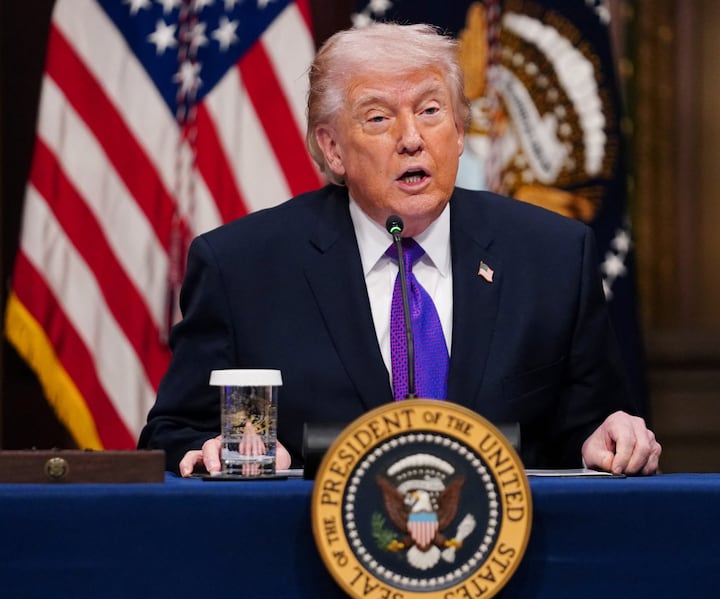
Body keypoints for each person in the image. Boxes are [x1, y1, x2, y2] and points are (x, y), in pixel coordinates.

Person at [138, 22, 661, 477]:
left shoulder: (553, 256)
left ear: (459, 131)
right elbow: (173, 433)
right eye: (379, 118)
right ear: (332, 149)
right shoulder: (243, 269)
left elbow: (590, 428)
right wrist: (212, 450)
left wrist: (606, 439)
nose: (412, 138)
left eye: (431, 110)